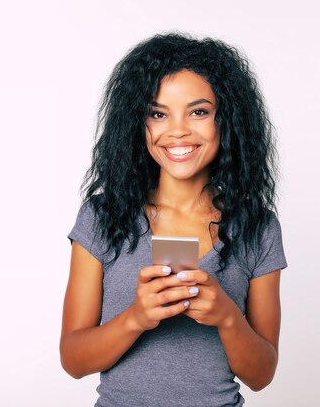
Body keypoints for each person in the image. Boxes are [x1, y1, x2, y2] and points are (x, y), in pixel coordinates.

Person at [60, 32, 288, 407]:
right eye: (158, 113)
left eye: (199, 111)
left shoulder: (258, 227)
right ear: (139, 123)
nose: (177, 129)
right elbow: (73, 360)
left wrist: (227, 317)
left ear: (225, 120)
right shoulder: (102, 217)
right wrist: (136, 317)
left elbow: (261, 375)